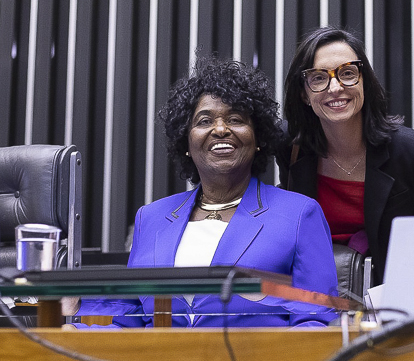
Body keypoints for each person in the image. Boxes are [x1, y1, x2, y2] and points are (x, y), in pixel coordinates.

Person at [74, 56, 338, 327]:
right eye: (204, 121)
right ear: (186, 141)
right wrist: (73, 332)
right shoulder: (150, 218)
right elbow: (128, 323)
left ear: (258, 137)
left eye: (235, 119)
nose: (221, 129)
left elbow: (316, 323)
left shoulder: (299, 215)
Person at [278, 26, 414, 286]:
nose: (335, 88)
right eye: (319, 78)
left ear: (364, 81)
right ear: (304, 94)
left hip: (390, 297)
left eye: (347, 74)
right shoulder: (291, 145)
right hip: (312, 295)